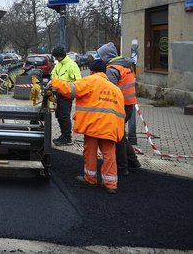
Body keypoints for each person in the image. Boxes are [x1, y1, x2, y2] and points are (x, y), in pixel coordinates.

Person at [49, 59, 125, 194]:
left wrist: (54, 82)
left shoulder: (90, 81)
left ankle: (90, 179)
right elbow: (121, 113)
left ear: (92, 71)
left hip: (93, 126)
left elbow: (70, 89)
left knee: (90, 152)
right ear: (105, 72)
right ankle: (111, 184)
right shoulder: (115, 89)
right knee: (109, 155)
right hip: (110, 127)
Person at [97, 42, 142, 175]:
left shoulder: (112, 69)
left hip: (119, 106)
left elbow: (109, 90)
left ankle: (122, 168)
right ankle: (133, 162)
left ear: (106, 56)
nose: (100, 58)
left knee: (117, 137)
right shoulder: (126, 65)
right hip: (128, 104)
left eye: (101, 56)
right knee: (120, 134)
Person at [50, 46, 82, 145]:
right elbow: (53, 76)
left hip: (66, 95)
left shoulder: (72, 65)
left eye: (56, 56)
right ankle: (64, 135)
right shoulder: (58, 65)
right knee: (59, 116)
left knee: (64, 116)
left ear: (60, 56)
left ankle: (67, 137)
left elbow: (78, 81)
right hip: (58, 94)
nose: (55, 59)